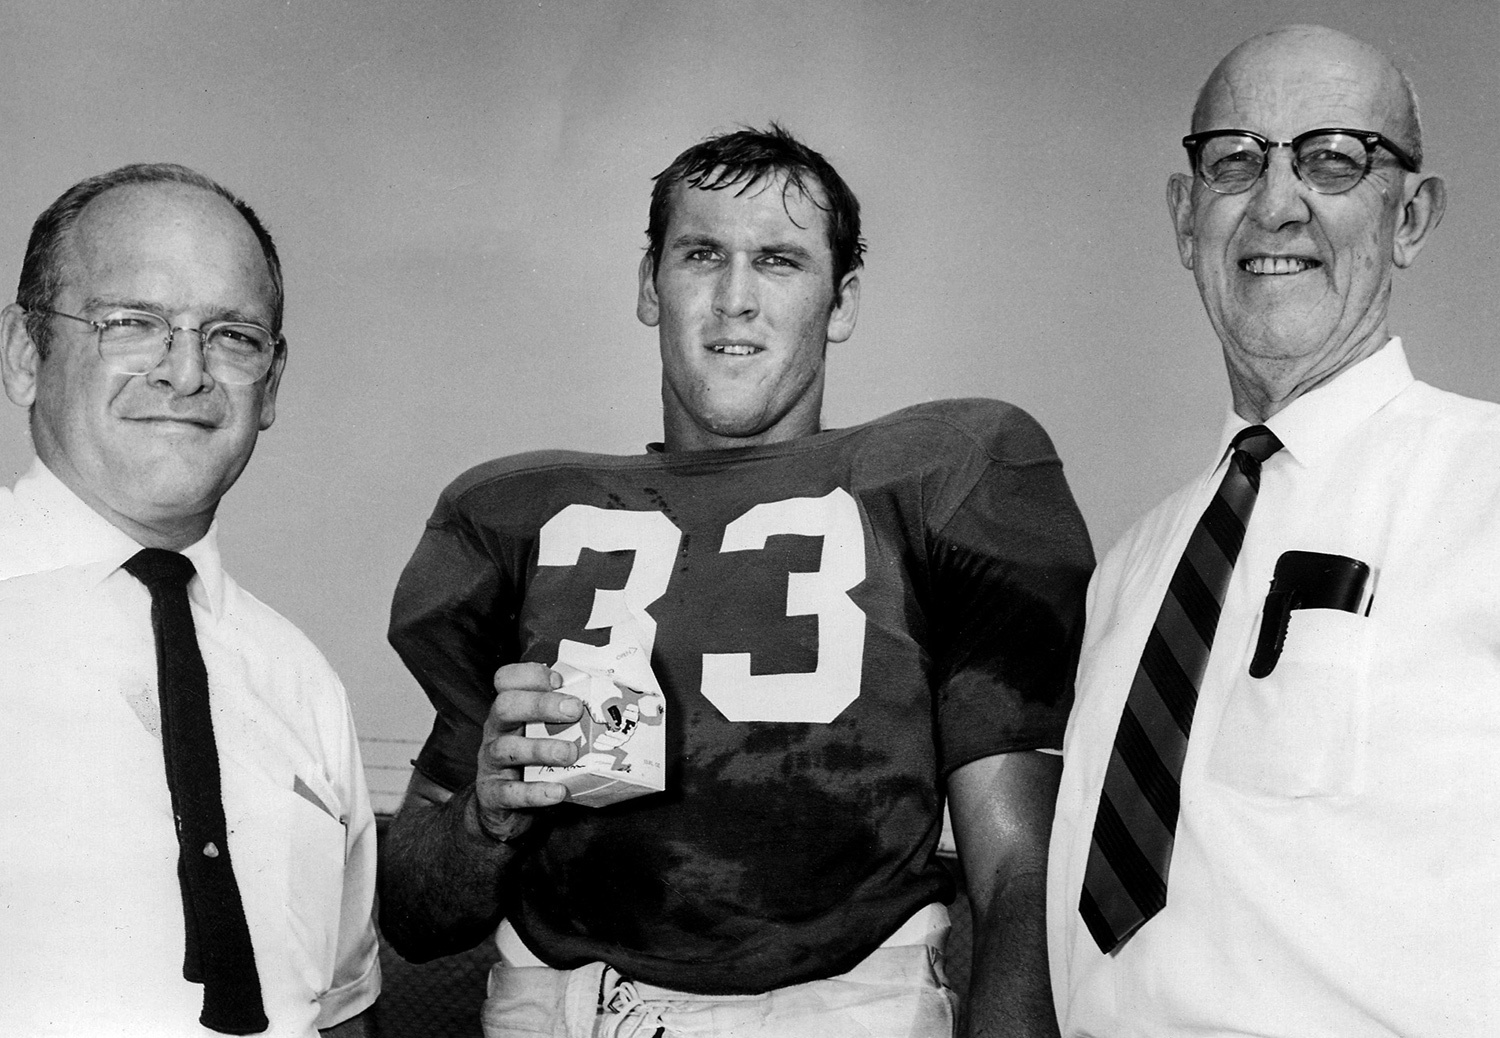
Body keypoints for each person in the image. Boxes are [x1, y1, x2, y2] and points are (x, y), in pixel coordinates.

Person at [381, 124, 1093, 1038]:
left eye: (781, 260)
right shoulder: (513, 515)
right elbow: (414, 914)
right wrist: (484, 814)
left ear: (842, 300)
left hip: (847, 1007)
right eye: (702, 253)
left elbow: (1019, 870)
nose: (735, 299)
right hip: (558, 1009)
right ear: (651, 284)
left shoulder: (947, 473)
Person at [1047, 24, 1500, 1037]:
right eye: (1236, 160)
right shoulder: (1130, 573)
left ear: (1413, 215)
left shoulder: (1488, 486)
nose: (1276, 201)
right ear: (1184, 215)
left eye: (1335, 159)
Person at [0, 164, 380, 1037]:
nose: (185, 372)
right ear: (27, 354)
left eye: (232, 336)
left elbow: (341, 1011)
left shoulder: (304, 683)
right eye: (130, 323)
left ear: (271, 384)